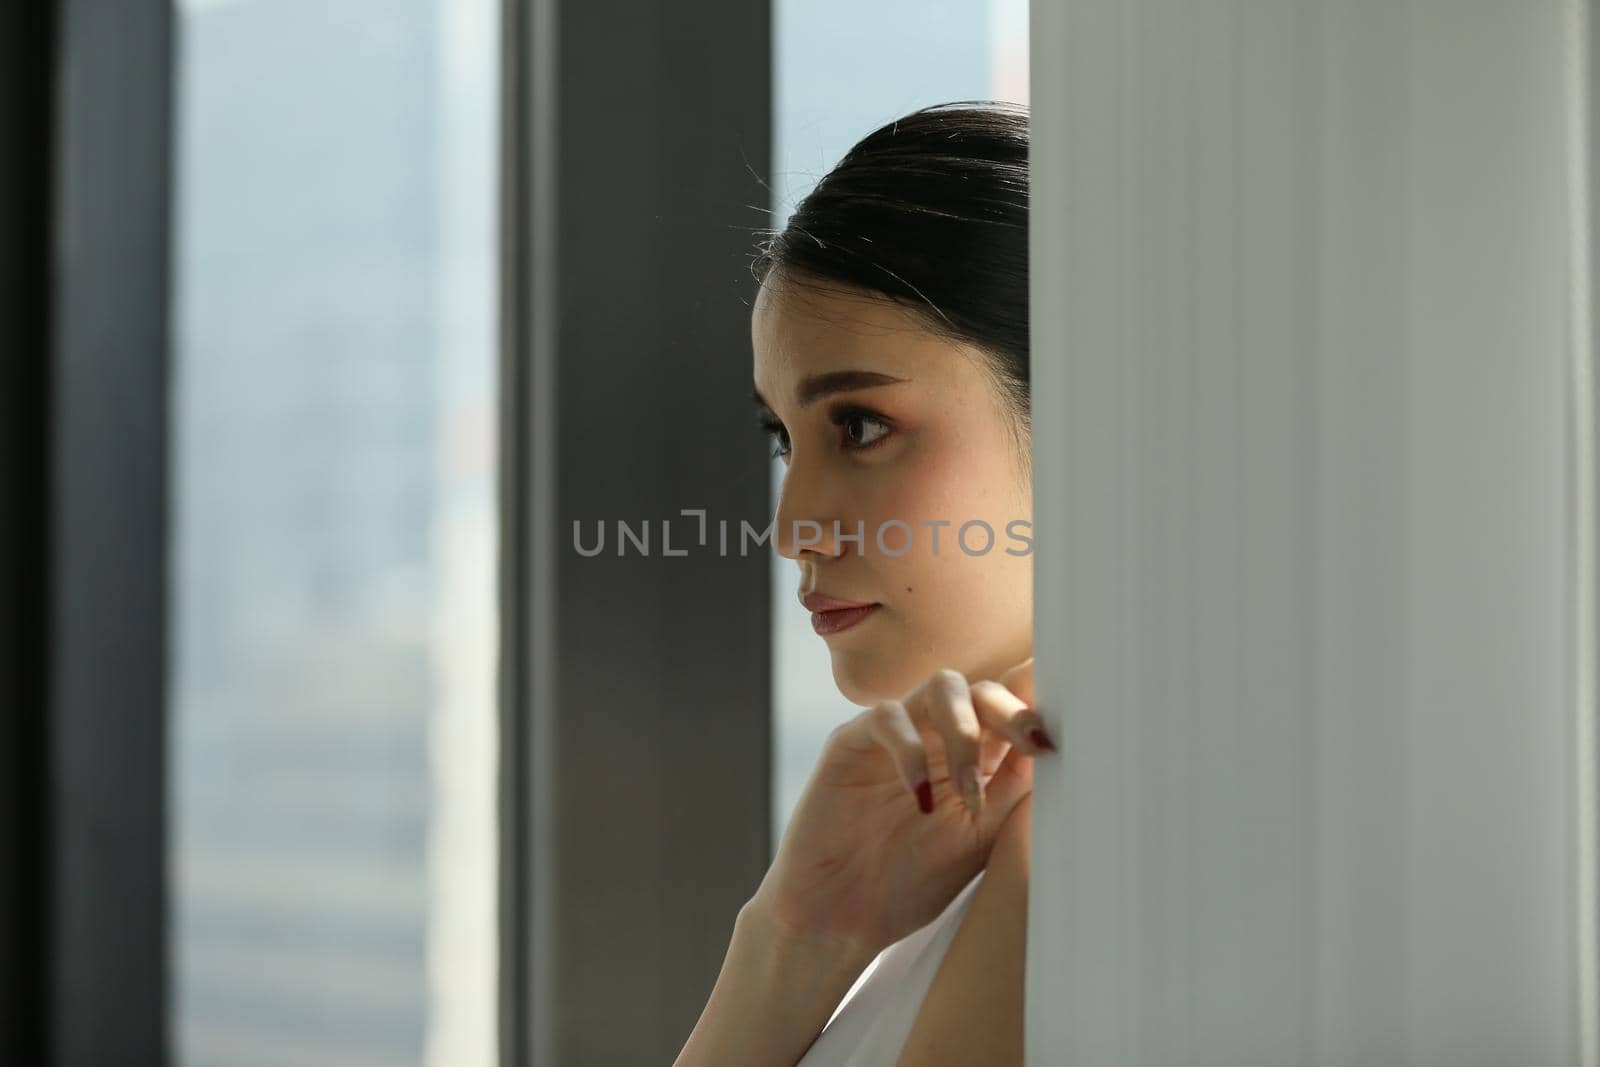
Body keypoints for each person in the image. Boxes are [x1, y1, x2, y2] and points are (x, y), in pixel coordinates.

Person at [674, 100, 1051, 1067]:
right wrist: (793, 939)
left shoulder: (1075, 857)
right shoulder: (968, 859)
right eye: (783, 440)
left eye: (862, 426)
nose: (792, 528)